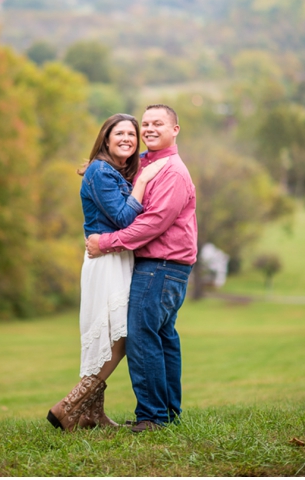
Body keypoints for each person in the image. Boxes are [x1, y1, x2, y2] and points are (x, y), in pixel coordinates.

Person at [47, 113, 168, 432]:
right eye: (120, 133)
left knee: (112, 335)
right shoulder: (101, 171)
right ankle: (68, 408)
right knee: (118, 336)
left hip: (116, 256)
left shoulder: (112, 171)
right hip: (107, 261)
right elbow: (124, 219)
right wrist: (142, 182)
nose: (128, 138)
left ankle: (91, 413)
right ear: (105, 138)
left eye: (132, 133)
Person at [86, 104, 198, 433]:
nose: (148, 129)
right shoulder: (146, 164)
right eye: (144, 124)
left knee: (141, 336)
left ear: (175, 129)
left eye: (157, 124)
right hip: (160, 265)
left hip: (162, 266)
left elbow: (153, 224)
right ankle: (168, 413)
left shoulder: (172, 171)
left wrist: (105, 243)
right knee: (163, 338)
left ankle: (152, 417)